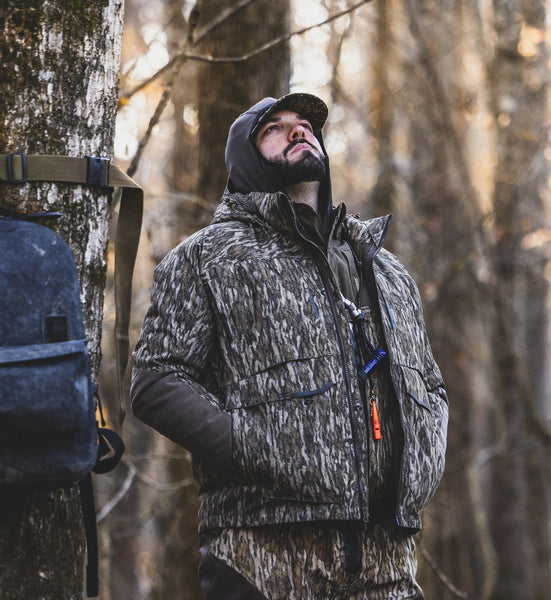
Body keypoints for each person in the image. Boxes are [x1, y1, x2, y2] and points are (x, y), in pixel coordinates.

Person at [131, 92, 448, 599]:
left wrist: (424, 465)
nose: (298, 130)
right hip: (264, 560)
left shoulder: (387, 270)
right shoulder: (208, 258)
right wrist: (251, 444)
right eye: (274, 128)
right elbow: (155, 381)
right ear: (245, 159)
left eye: (305, 124)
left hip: (388, 563)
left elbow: (430, 384)